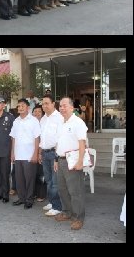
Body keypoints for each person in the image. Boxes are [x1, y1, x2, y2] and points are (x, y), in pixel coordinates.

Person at [53, 96, 88, 230]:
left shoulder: (77, 122)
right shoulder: (61, 122)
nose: (61, 108)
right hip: (61, 160)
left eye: (64, 105)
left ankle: (78, 218)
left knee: (75, 191)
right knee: (62, 189)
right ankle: (67, 212)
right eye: (60, 106)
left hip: (73, 161)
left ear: (72, 108)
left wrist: (80, 161)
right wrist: (56, 159)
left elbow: (82, 143)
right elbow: (59, 143)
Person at [10, 98, 41, 209]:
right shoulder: (16, 121)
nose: (20, 108)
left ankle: (29, 199)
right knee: (19, 179)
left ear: (28, 108)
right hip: (18, 155)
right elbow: (13, 138)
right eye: (18, 106)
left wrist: (35, 154)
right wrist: (12, 153)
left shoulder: (33, 121)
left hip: (29, 155)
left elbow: (37, 138)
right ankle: (22, 198)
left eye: (22, 106)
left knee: (29, 179)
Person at [39, 94, 65, 216]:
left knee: (55, 181)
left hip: (55, 153)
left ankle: (57, 207)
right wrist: (40, 152)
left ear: (53, 104)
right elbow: (42, 138)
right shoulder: (43, 119)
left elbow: (60, 139)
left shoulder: (59, 118)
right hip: (44, 153)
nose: (44, 106)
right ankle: (52, 201)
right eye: (43, 104)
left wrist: (57, 156)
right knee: (48, 180)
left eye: (47, 103)